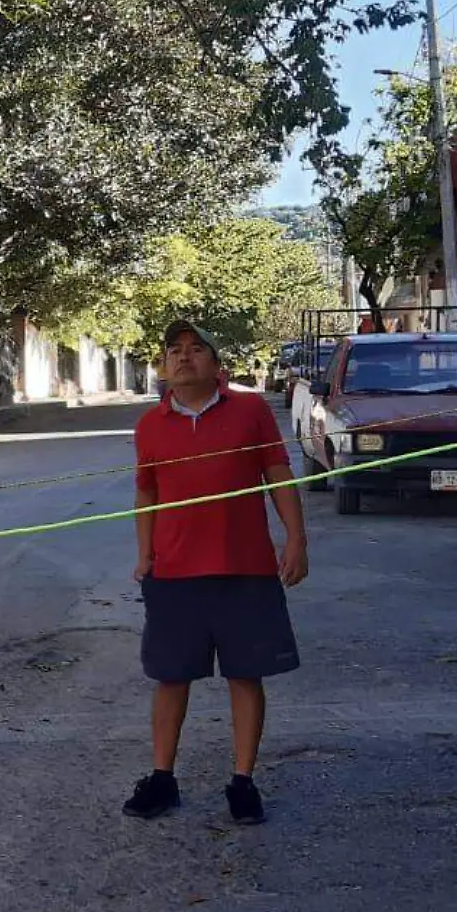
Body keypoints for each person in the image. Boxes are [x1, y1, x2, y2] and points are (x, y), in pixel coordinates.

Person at [126, 322, 308, 825]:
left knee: (245, 676)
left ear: (216, 365)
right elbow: (147, 493)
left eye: (196, 350)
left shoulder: (250, 411)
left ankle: (243, 783)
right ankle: (162, 779)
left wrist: (295, 538)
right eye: (174, 351)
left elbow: (277, 473)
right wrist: (145, 554)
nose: (184, 358)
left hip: (244, 569)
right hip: (174, 573)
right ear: (164, 366)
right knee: (170, 678)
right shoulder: (150, 425)